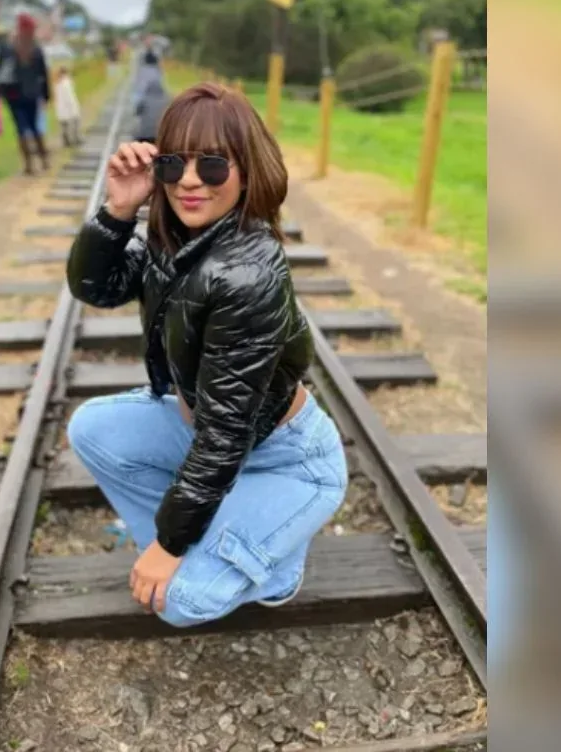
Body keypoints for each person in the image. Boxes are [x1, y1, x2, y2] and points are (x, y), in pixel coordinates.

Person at [66, 83, 348, 628]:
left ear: (246, 170)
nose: (190, 181)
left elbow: (225, 435)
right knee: (90, 429)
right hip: (211, 431)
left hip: (286, 458)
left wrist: (169, 545)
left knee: (179, 602)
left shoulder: (247, 273)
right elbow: (97, 286)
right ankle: (222, 531)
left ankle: (277, 567)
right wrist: (118, 210)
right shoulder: (174, 236)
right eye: (174, 163)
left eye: (213, 165)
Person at [0, 13, 50, 174]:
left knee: (21, 128)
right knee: (35, 127)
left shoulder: (7, 48)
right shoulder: (36, 50)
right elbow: (43, 75)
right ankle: (44, 160)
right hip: (32, 94)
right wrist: (46, 96)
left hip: (13, 95)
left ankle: (29, 165)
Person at [53, 67, 82, 148]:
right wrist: (74, 106)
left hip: (61, 109)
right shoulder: (66, 83)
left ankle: (66, 142)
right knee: (74, 123)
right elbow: (70, 97)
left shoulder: (57, 84)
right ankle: (75, 139)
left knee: (64, 126)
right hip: (69, 108)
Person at [133, 77, 168, 143]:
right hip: (161, 135)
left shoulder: (144, 100)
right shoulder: (167, 100)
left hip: (143, 135)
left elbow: (137, 112)